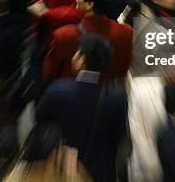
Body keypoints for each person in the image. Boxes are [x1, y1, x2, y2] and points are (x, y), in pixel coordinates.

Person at [36, 34, 128, 182]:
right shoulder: (117, 96)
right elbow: (119, 134)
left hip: (62, 169)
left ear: (82, 61)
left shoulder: (58, 89)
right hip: (102, 170)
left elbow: (40, 120)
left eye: (77, 53)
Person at [42, 0, 133, 85]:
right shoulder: (126, 32)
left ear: (90, 4)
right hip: (107, 95)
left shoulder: (63, 36)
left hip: (70, 96)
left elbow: (49, 75)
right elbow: (124, 68)